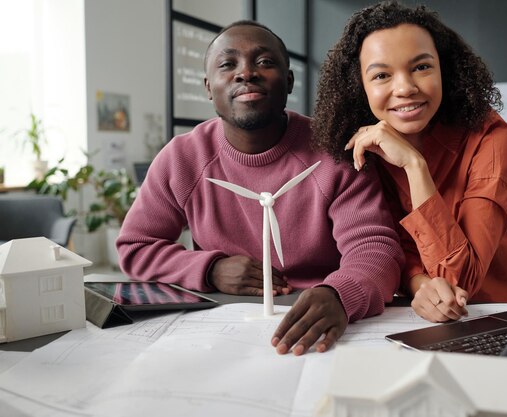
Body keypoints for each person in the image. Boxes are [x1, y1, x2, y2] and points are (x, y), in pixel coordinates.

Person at [116, 21, 404, 355]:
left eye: (264, 62)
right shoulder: (182, 158)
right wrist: (210, 269)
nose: (246, 73)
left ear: (289, 81)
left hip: (324, 321)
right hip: (221, 328)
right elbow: (137, 246)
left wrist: (340, 294)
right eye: (228, 64)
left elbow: (376, 249)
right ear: (209, 87)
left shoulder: (336, 153)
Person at [311, 1, 507, 323]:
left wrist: (414, 165)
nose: (405, 88)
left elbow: (462, 279)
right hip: (415, 311)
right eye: (381, 75)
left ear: (443, 69)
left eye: (421, 67)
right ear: (359, 87)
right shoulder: (359, 148)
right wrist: (419, 284)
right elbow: (385, 245)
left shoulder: (490, 138)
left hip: (492, 309)